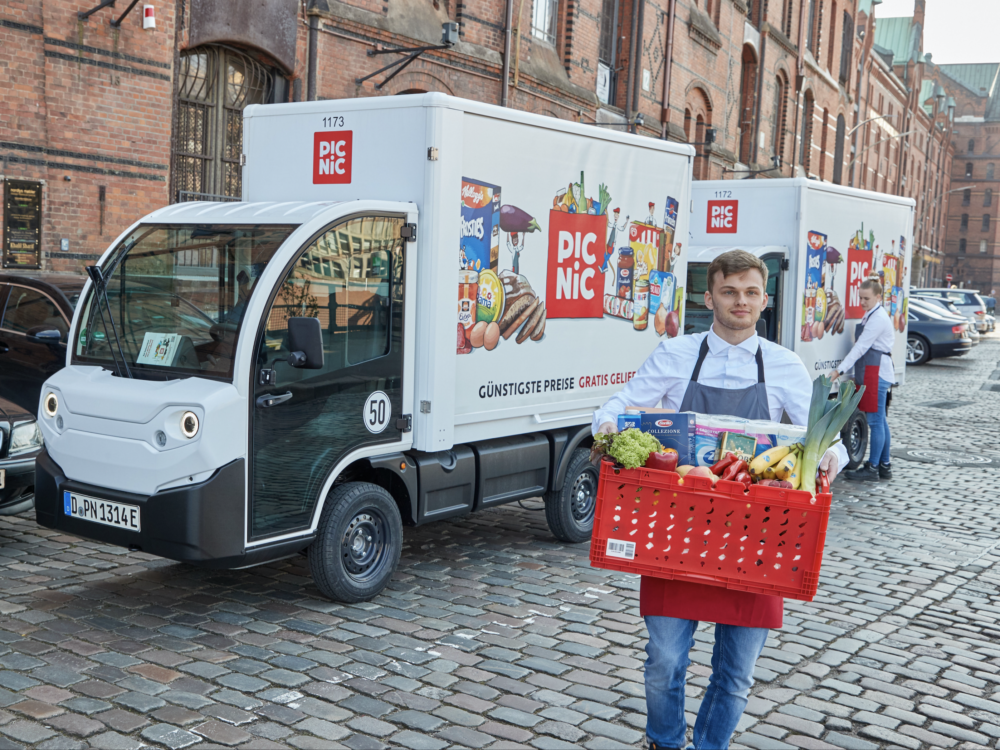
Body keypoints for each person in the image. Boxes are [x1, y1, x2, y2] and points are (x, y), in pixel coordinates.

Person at [593, 250, 847, 750]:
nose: (740, 301)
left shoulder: (785, 365)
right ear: (708, 297)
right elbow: (622, 402)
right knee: (664, 659)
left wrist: (829, 458)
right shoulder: (675, 353)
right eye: (729, 291)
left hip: (759, 536)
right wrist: (607, 425)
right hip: (674, 531)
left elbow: (824, 436)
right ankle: (665, 742)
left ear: (764, 300)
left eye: (751, 292)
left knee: (736, 674)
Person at [828, 278, 894, 481]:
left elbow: (861, 347)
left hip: (877, 372)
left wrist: (839, 370)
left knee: (875, 421)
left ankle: (873, 467)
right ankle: (884, 465)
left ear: (878, 297)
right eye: (860, 297)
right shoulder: (872, 314)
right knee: (880, 420)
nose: (862, 302)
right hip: (873, 370)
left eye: (866, 298)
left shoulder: (878, 318)